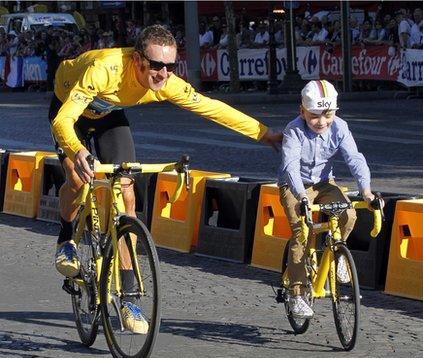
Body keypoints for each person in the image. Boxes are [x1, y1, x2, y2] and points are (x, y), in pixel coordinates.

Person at [49, 25, 282, 332]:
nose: (163, 74)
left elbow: (211, 108)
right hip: (70, 110)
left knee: (126, 196)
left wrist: (265, 135)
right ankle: (66, 239)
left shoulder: (166, 82)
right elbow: (63, 120)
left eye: (170, 66)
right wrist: (77, 151)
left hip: (110, 115)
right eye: (156, 65)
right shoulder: (104, 69)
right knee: (77, 179)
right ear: (137, 60)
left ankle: (129, 295)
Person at [278, 80, 377, 319]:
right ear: (302, 111)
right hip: (294, 185)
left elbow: (355, 158)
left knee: (348, 213)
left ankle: (337, 252)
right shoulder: (293, 130)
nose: (321, 122)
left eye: (328, 114)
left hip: (324, 183)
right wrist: (301, 196)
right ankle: (297, 294)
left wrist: (366, 191)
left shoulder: (340, 127)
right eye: (314, 116)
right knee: (301, 231)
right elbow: (290, 166)